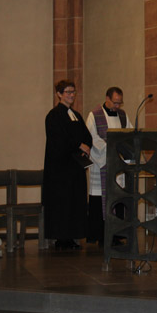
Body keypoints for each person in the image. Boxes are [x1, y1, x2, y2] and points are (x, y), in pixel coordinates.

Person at [42, 80, 92, 250]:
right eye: (68, 92)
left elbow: (86, 135)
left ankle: (72, 236)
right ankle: (61, 238)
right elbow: (58, 139)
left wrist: (86, 146)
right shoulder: (54, 115)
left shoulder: (76, 115)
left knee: (75, 201)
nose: (71, 95)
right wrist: (79, 145)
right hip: (60, 169)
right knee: (62, 203)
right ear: (59, 94)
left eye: (73, 92)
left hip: (75, 166)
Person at [85, 87, 133, 245]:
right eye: (115, 102)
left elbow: (130, 133)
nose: (117, 106)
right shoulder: (95, 115)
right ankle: (100, 235)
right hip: (102, 164)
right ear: (107, 98)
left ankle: (117, 233)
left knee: (117, 198)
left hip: (118, 165)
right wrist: (110, 148)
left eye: (120, 103)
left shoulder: (122, 115)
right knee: (101, 199)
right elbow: (91, 136)